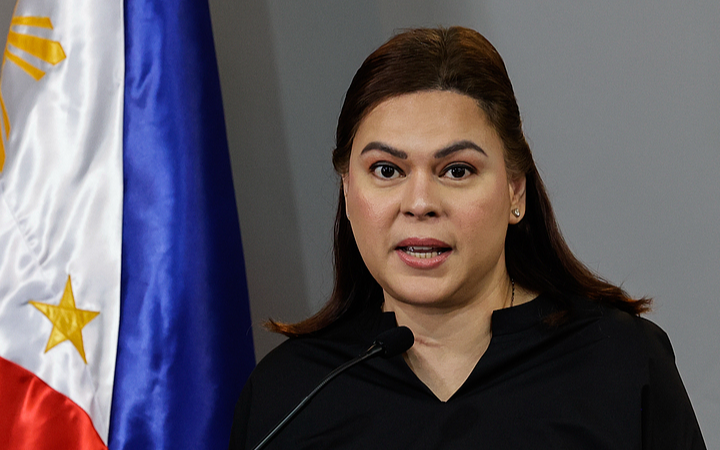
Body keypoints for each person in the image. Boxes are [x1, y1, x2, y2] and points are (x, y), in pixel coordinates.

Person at [229, 26, 706, 449]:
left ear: (515, 190)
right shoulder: (290, 393)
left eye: (456, 170)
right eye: (387, 170)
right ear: (348, 191)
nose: (420, 202)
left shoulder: (621, 363)